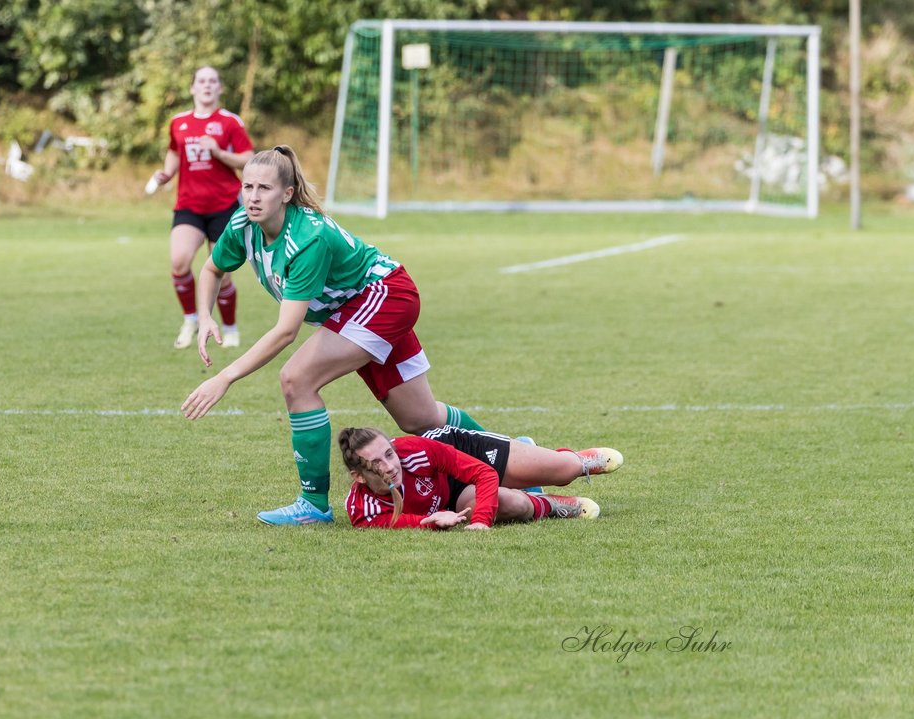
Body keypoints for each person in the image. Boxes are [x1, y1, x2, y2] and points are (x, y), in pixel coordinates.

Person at [180, 145, 492, 526]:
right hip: (367, 303)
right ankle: (505, 457)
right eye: (247, 187)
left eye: (264, 188)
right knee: (420, 417)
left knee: (297, 378)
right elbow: (211, 270)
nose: (253, 197)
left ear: (287, 194)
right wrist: (205, 315)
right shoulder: (243, 224)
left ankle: (313, 504)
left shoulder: (306, 239)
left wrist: (225, 377)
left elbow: (285, 331)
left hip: (384, 295)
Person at [149, 66, 254, 350]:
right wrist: (166, 174)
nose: (207, 85)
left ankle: (230, 327)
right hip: (189, 207)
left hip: (225, 206)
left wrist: (219, 153)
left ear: (220, 88)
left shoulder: (230, 122)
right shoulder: (179, 122)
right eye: (201, 81)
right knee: (179, 261)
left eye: (213, 81)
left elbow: (249, 158)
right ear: (192, 87)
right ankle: (190, 319)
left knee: (222, 271)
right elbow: (173, 152)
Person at [338, 426, 624, 529]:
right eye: (376, 463)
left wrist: (480, 523)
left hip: (463, 454)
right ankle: (549, 505)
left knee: (563, 471)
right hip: (453, 496)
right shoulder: (364, 511)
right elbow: (401, 521)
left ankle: (575, 462)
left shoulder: (415, 452)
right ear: (358, 476)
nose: (390, 465)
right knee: (513, 504)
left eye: (389, 453)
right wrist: (433, 521)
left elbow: (482, 473)